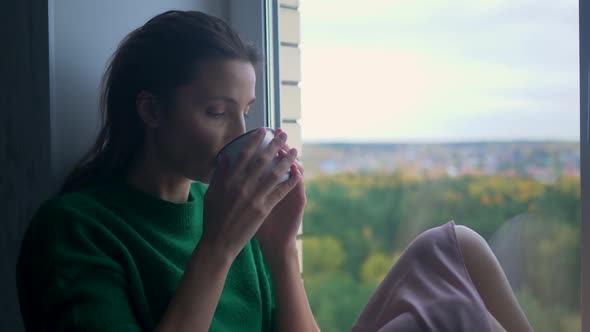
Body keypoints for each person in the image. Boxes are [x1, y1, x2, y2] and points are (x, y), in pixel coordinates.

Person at [16, 10, 534, 332]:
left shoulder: (226, 208)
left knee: (457, 248)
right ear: (151, 111)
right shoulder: (76, 230)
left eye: (246, 111)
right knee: (460, 319)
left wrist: (280, 247)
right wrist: (217, 246)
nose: (240, 131)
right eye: (217, 112)